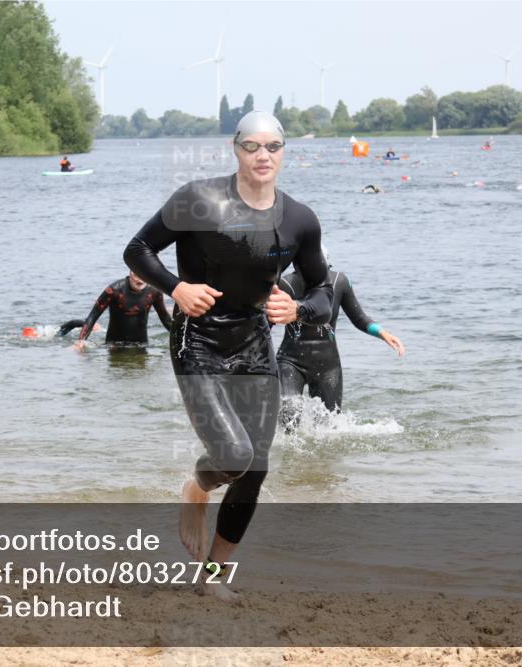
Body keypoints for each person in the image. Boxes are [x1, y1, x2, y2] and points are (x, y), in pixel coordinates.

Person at [124, 110, 333, 601]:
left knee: (254, 467)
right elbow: (137, 250)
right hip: (196, 341)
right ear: (235, 149)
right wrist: (176, 288)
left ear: (284, 153)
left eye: (273, 147)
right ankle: (195, 489)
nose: (263, 156)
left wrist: (297, 308)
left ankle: (213, 576)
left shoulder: (299, 218)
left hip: (254, 342)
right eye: (252, 146)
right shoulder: (199, 200)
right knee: (234, 456)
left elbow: (323, 290)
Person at [277, 247, 405, 429]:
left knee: (330, 425)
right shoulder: (285, 284)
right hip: (290, 362)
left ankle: (321, 459)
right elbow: (264, 318)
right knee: (289, 415)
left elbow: (359, 318)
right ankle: (289, 455)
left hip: (328, 365)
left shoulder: (339, 281)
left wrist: (383, 333)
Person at [72, 271, 172, 349]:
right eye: (136, 274)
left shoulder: (154, 291)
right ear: (130, 272)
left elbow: (165, 319)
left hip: (141, 345)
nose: (140, 279)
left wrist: (183, 339)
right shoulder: (114, 290)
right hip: (113, 345)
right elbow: (92, 317)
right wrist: (80, 342)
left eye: (143, 274)